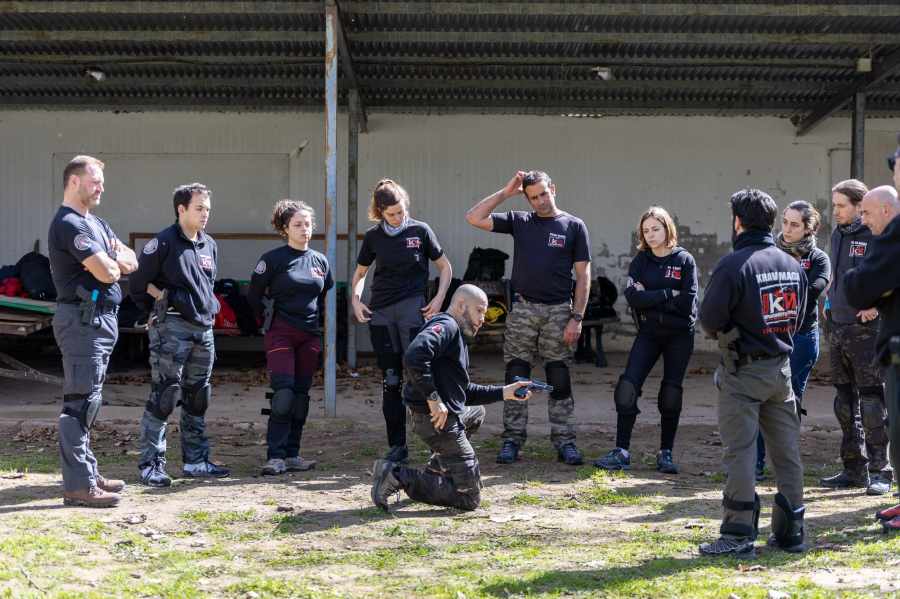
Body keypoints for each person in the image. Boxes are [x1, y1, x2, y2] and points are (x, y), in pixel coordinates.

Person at [698, 188, 807, 556]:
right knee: (786, 452)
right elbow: (799, 318)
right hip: (781, 371)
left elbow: (709, 320)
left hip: (743, 371)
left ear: (738, 222)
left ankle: (738, 532)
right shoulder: (792, 264)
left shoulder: (733, 265)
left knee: (741, 452)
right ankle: (792, 532)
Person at [466, 170, 591, 466]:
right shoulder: (520, 221)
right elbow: (473, 217)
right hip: (523, 309)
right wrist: (505, 193)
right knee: (516, 375)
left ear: (553, 189)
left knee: (559, 376)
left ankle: (565, 441)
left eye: (544, 194)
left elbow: (584, 275)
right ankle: (512, 439)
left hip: (559, 311)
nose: (540, 201)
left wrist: (577, 317)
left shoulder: (573, 226)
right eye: (533, 197)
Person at [370, 284, 532, 512]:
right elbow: (414, 356)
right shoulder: (446, 326)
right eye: (479, 311)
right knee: (469, 498)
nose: (483, 319)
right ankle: (397, 475)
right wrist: (433, 398)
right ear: (461, 305)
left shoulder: (457, 335)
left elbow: (462, 392)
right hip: (434, 420)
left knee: (476, 412)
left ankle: (438, 468)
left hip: (443, 415)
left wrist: (506, 392)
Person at [48, 155, 138, 507]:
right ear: (74, 181)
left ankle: (87, 473)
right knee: (80, 402)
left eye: (101, 181)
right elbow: (107, 272)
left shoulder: (95, 223)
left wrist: (114, 261)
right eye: (95, 181)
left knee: (91, 399)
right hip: (82, 321)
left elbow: (132, 260)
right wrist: (113, 263)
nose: (101, 187)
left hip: (100, 319)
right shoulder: (69, 224)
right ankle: (79, 486)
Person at [129, 183, 230, 487]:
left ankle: (196, 461)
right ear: (181, 209)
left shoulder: (209, 244)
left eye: (208, 209)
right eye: (199, 208)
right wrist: (162, 300)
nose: (205, 214)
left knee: (197, 397)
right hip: (172, 327)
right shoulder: (163, 242)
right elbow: (138, 282)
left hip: (203, 329)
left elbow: (207, 285)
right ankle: (151, 465)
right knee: (165, 395)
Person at [351, 179, 452, 465]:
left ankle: (438, 446)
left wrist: (439, 298)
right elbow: (360, 274)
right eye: (392, 213)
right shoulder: (374, 237)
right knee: (391, 380)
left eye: (401, 211)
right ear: (380, 212)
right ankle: (397, 446)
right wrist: (356, 300)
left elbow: (445, 267)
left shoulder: (420, 230)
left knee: (421, 378)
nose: (398, 217)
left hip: (412, 310)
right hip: (382, 313)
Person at [593, 207, 698, 474]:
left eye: (656, 229)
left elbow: (687, 303)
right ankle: (621, 451)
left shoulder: (684, 260)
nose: (650, 235)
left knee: (671, 394)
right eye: (646, 230)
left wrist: (649, 297)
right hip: (649, 333)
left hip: (679, 335)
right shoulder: (641, 260)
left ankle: (665, 453)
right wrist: (667, 293)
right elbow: (633, 298)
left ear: (667, 229)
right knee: (626, 389)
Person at [247, 200, 333, 475]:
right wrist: (266, 321)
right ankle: (275, 456)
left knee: (300, 397)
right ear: (285, 229)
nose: (304, 229)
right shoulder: (272, 259)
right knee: (283, 395)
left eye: (308, 224)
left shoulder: (320, 261)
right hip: (281, 333)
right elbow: (253, 296)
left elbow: (324, 293)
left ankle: (293, 454)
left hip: (309, 335)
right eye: (297, 225)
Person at [819, 179, 890, 495]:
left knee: (872, 402)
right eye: (834, 205)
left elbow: (888, 275)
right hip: (838, 326)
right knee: (844, 403)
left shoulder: (876, 234)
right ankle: (853, 468)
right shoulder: (837, 234)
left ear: (860, 206)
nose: (835, 211)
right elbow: (837, 274)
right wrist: (830, 300)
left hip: (866, 332)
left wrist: (876, 305)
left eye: (841, 205)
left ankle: (881, 471)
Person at [755, 201, 831, 480]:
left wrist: (778, 287)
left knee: (789, 399)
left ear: (809, 229)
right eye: (784, 222)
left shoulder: (819, 259)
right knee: (760, 395)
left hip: (801, 337)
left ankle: (785, 464)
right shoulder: (768, 252)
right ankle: (755, 462)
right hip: (769, 336)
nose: (787, 229)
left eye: (795, 224)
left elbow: (810, 294)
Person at [846, 185, 900, 527]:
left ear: (886, 210)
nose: (862, 220)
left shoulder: (892, 242)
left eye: (866, 213)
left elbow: (859, 288)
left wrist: (870, 288)